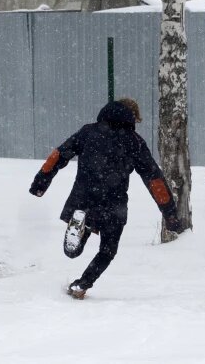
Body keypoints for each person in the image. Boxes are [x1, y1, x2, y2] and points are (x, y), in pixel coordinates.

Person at [30, 98, 182, 299]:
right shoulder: (134, 142)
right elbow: (155, 180)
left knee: (73, 251)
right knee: (107, 251)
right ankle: (82, 285)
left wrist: (41, 181)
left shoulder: (87, 132)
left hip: (84, 197)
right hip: (114, 203)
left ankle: (79, 225)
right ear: (132, 117)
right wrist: (170, 213)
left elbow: (59, 155)